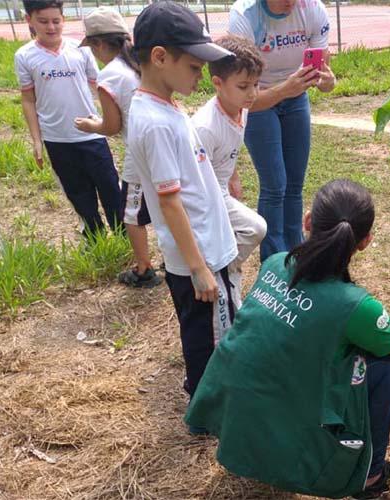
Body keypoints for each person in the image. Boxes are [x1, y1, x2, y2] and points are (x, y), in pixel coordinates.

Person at [185, 180, 390, 499]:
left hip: (234, 424)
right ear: (366, 241)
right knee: (384, 366)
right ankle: (370, 477)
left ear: (308, 220)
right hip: (282, 439)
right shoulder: (354, 306)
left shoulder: (276, 262)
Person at [127, 2, 238, 397]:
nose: (202, 75)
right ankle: (205, 402)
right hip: (199, 254)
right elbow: (170, 202)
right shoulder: (154, 122)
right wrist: (198, 267)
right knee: (204, 335)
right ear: (159, 57)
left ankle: (210, 390)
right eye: (194, 67)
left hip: (208, 246)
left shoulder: (165, 107)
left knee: (215, 327)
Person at [228, 0, 336, 260]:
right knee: (275, 185)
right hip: (257, 97)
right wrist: (283, 90)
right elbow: (243, 95)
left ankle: (295, 253)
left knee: (294, 183)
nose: (292, 3)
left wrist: (327, 82)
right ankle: (274, 261)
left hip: (296, 97)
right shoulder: (245, 15)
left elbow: (323, 77)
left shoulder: (312, 9)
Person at [15, 0, 122, 238]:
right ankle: (95, 237)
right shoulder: (24, 56)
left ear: (63, 19)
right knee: (78, 192)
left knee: (109, 186)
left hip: (92, 133)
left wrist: (112, 120)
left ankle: (123, 233)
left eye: (56, 21)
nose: (51, 27)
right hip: (57, 139)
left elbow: (101, 86)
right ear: (29, 20)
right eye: (43, 21)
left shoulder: (80, 49)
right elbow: (28, 99)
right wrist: (36, 139)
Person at [73, 6, 162, 288]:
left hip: (140, 152)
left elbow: (111, 126)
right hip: (165, 142)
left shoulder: (110, 74)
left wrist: (91, 125)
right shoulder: (140, 62)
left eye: (92, 46)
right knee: (169, 204)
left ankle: (143, 268)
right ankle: (175, 259)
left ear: (99, 43)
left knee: (132, 214)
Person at [191, 34, 267, 306]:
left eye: (256, 85)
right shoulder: (205, 127)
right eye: (244, 86)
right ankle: (224, 269)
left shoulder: (240, 108)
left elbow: (231, 146)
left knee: (246, 230)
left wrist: (233, 175)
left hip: (221, 188)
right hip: (206, 195)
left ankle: (225, 268)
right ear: (217, 83)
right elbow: (196, 180)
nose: (253, 94)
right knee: (256, 228)